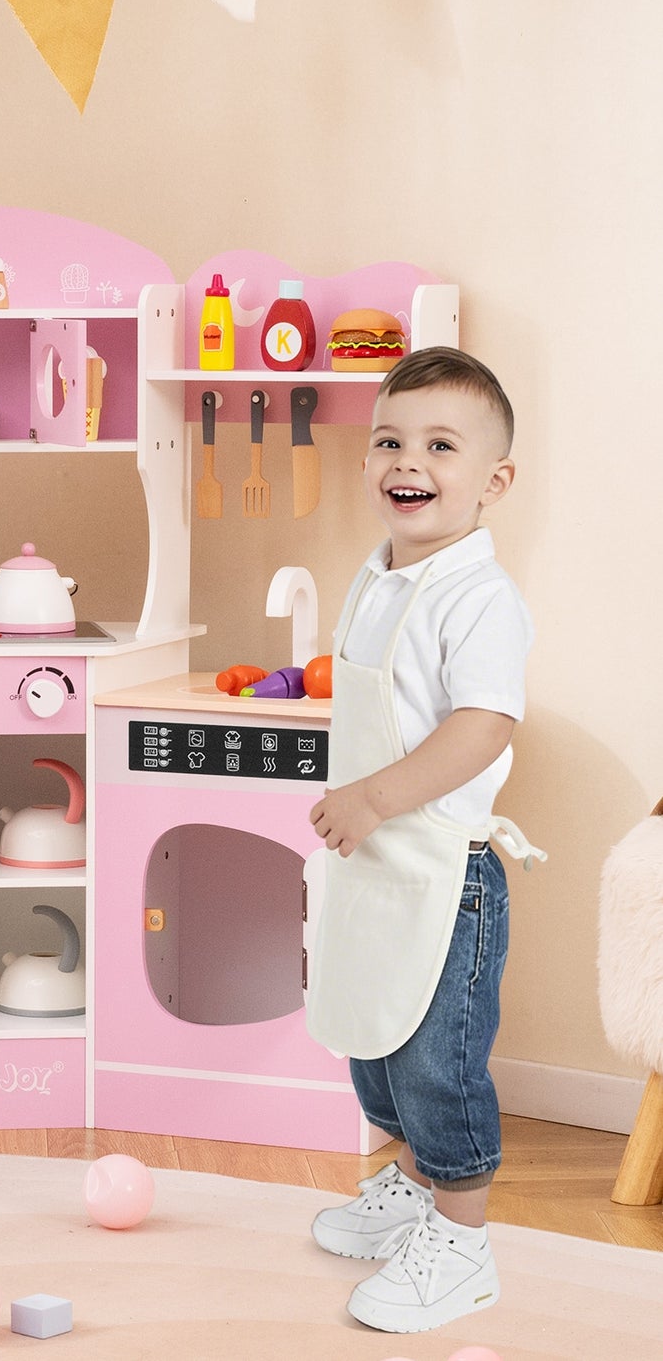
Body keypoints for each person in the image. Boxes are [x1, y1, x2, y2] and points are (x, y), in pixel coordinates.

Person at [305, 347, 546, 1333]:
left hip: (446, 867)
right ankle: (406, 1187)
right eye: (389, 440)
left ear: (491, 481)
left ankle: (459, 1236)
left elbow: (480, 726)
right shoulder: (380, 573)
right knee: (375, 1038)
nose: (406, 460)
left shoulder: (476, 596)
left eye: (438, 444)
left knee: (436, 1056)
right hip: (377, 860)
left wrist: (369, 797)